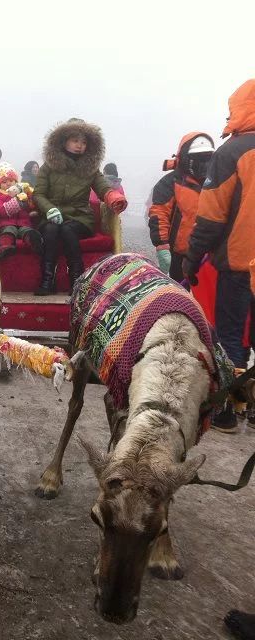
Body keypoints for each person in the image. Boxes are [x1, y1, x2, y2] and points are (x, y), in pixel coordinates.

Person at [186, 79, 255, 433]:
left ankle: (227, 412)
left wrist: (192, 257)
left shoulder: (232, 152)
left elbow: (211, 217)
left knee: (230, 337)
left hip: (241, 263)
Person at [33, 118, 127, 296]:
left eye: (83, 142)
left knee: (68, 230)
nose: (80, 146)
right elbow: (38, 194)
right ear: (64, 141)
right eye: (75, 140)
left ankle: (77, 280)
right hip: (52, 215)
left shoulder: (90, 168)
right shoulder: (49, 166)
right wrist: (49, 209)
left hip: (80, 217)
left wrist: (114, 197)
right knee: (51, 231)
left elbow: (103, 188)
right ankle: (47, 279)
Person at [147, 132, 215, 280]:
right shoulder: (170, 182)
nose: (203, 163)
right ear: (186, 157)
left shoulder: (215, 183)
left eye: (207, 157)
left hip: (209, 256)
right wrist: (162, 245)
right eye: (198, 158)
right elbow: (159, 213)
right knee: (181, 295)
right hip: (178, 255)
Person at [0, 162, 42, 259]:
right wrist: (18, 203)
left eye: (11, 180)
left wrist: (32, 209)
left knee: (28, 231)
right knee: (9, 230)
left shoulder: (23, 193)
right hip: (6, 223)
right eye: (4, 182)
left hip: (23, 222)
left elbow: (31, 205)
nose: (8, 183)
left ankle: (34, 243)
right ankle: (5, 247)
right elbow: (2, 210)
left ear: (16, 181)